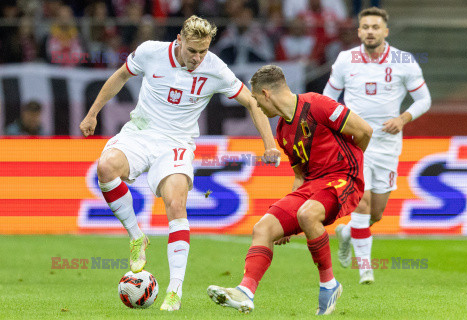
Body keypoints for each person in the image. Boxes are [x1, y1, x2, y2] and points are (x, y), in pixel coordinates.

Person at [79, 16, 280, 311]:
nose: (198, 58)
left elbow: (252, 101)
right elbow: (120, 76)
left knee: (175, 204)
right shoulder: (151, 52)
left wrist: (270, 144)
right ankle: (137, 237)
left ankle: (174, 291)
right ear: (179, 40)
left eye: (203, 51)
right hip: (140, 132)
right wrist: (93, 113)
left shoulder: (215, 68)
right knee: (106, 167)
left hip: (176, 143)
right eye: (192, 51)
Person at [207, 65, 372, 315]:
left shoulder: (317, 104)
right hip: (313, 185)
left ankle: (329, 284)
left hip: (343, 177)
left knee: (307, 214)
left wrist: (350, 163)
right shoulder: (283, 132)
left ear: (266, 94)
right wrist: (287, 216)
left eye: (257, 101)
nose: (258, 108)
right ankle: (246, 291)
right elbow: (299, 176)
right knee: (263, 228)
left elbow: (364, 131)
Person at [323, 7, 431, 284]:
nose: (370, 31)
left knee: (376, 212)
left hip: (387, 142)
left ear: (385, 31)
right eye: (365, 27)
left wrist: (403, 118)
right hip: (355, 141)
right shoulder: (346, 60)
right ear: (359, 31)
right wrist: (338, 126)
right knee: (362, 203)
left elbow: (424, 100)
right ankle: (365, 270)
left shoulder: (403, 61)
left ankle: (347, 233)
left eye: (375, 27)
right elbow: (328, 97)